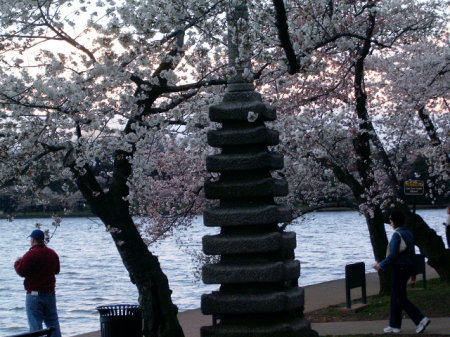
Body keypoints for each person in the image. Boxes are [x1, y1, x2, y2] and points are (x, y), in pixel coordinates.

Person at [373, 210, 430, 334]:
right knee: (395, 296)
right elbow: (412, 253)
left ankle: (420, 319)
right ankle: (394, 325)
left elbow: (393, 254)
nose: (390, 223)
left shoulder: (397, 235)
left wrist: (381, 265)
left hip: (399, 268)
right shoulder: (408, 233)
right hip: (407, 267)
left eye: (391, 221)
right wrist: (414, 272)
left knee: (399, 297)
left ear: (395, 222)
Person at [14, 229, 62, 337]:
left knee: (36, 326)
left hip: (34, 295)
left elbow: (21, 271)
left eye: (31, 239)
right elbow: (57, 270)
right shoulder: (52, 253)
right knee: (53, 322)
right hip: (50, 294)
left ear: (33, 240)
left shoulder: (30, 255)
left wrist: (17, 263)